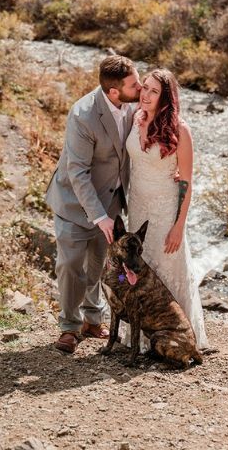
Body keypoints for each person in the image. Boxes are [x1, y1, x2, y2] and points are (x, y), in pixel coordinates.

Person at [46, 54, 140, 354]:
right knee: (71, 267)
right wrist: (99, 216)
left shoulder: (131, 107)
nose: (140, 86)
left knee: (98, 265)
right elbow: (78, 172)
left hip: (111, 203)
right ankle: (69, 328)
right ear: (114, 92)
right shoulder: (83, 115)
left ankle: (92, 320)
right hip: (75, 202)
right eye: (134, 83)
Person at [125, 67, 208, 350]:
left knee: (166, 271)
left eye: (153, 91)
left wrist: (178, 226)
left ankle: (178, 339)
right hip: (137, 206)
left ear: (166, 98)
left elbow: (186, 182)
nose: (145, 95)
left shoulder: (180, 130)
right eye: (144, 88)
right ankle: (144, 338)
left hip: (164, 209)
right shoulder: (135, 119)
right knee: (139, 269)